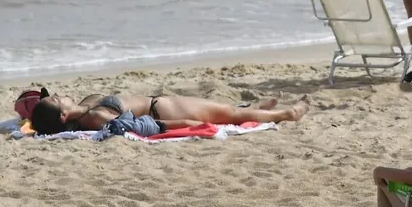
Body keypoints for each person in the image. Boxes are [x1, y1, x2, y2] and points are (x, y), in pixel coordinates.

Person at [28, 89, 311, 135]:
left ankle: (258, 110)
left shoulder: (85, 107)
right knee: (229, 114)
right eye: (56, 100)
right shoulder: (95, 117)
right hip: (163, 109)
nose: (57, 94)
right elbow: (144, 125)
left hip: (161, 101)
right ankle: (288, 114)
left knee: (225, 110)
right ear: (63, 116)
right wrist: (185, 123)